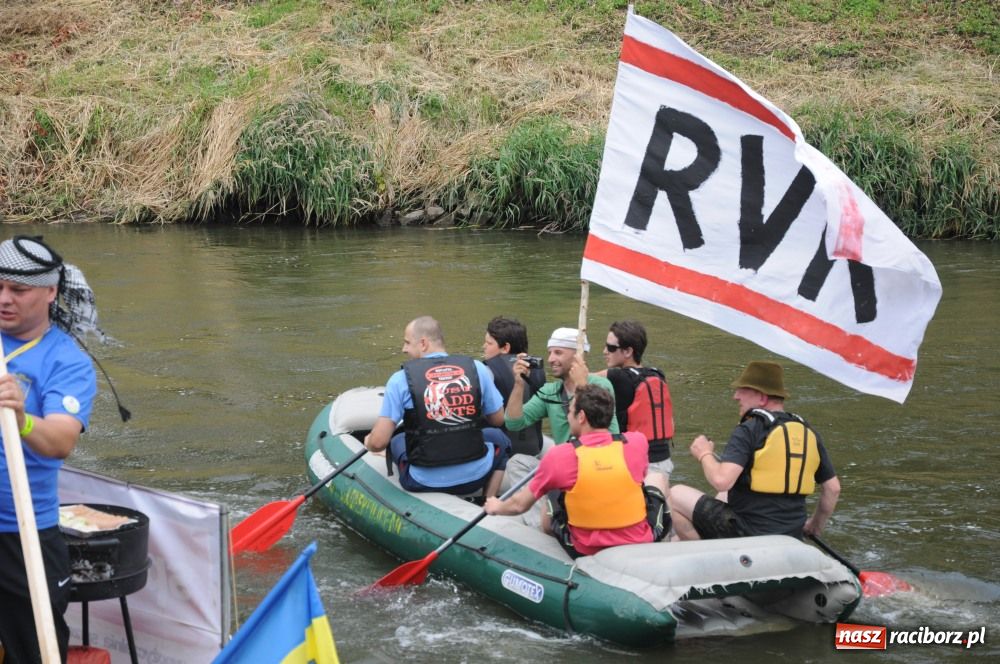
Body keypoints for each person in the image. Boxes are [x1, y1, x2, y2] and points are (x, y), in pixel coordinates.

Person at [0, 236, 98, 664]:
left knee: (35, 652)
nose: (4, 299)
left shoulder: (65, 361)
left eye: (18, 290)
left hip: (21, 533)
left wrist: (20, 417)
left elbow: (60, 441)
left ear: (50, 292)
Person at [485, 384, 668, 557]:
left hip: (584, 547)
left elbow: (519, 505)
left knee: (554, 489)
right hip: (639, 539)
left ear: (581, 417)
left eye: (570, 411)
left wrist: (496, 507)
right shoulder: (636, 442)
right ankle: (667, 543)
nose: (568, 416)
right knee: (656, 477)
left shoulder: (560, 456)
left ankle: (544, 538)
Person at [670, 361, 840, 541]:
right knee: (723, 496)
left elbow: (721, 480)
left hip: (749, 533)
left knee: (674, 494)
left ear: (762, 398)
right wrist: (814, 526)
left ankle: (706, 552)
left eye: (743, 390)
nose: (736, 397)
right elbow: (833, 489)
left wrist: (704, 454)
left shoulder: (750, 428)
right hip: (791, 534)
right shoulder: (807, 432)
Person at [364, 316, 511, 497]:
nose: (404, 349)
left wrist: (369, 442)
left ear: (423, 343)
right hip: (475, 479)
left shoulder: (399, 380)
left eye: (407, 343)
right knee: (499, 438)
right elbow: (497, 420)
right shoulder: (477, 368)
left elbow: (378, 442)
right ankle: (489, 501)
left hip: (421, 482)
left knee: (397, 440)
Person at [504, 327, 619, 446]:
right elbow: (513, 423)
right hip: (564, 456)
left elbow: (609, 436)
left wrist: (581, 385)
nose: (550, 359)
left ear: (577, 355)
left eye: (558, 353)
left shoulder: (601, 385)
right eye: (550, 353)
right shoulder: (550, 392)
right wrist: (519, 383)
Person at [597, 320, 675, 477]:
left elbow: (579, 379)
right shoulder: (657, 374)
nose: (605, 351)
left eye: (611, 348)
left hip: (637, 464)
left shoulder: (617, 377)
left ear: (628, 351)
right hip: (664, 461)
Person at [481, 316, 545, 455]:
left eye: (489, 343)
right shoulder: (537, 367)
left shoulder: (486, 370)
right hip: (535, 447)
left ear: (505, 347)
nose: (484, 346)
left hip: (501, 451)